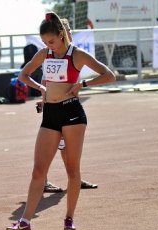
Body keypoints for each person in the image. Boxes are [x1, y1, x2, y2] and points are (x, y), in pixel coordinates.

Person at [6, 11, 115, 230]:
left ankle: (69, 218)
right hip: (51, 115)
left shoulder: (78, 55)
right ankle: (25, 221)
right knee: (38, 171)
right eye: (45, 42)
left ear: (62, 35)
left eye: (52, 41)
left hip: (72, 114)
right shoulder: (45, 54)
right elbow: (23, 75)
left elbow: (109, 75)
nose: (49, 46)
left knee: (72, 170)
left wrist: (83, 84)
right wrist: (42, 89)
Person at [42, 18, 97, 193]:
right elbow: (47, 81)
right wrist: (44, 98)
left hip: (69, 107)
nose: (69, 33)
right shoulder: (52, 53)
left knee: (65, 147)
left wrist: (81, 86)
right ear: (60, 33)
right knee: (54, 148)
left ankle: (74, 177)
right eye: (66, 30)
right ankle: (48, 179)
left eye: (70, 30)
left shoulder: (73, 54)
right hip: (55, 108)